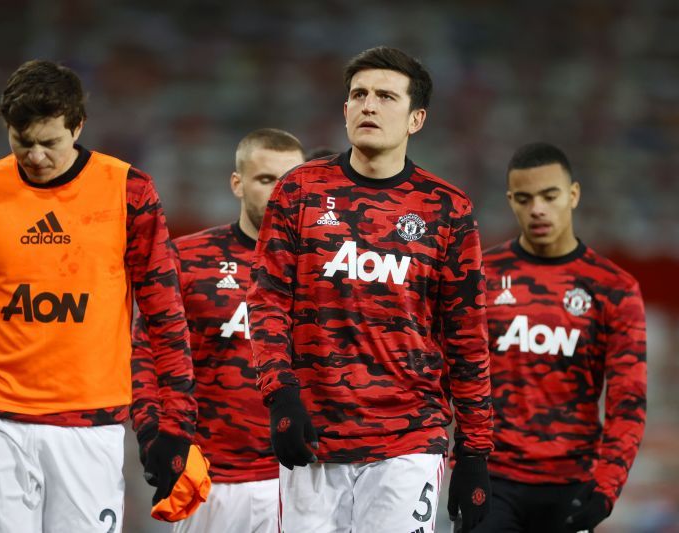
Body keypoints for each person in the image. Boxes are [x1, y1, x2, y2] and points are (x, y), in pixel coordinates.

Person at [0, 59, 196, 533]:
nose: (35, 156)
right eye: (23, 142)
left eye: (50, 142)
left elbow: (164, 315)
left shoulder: (129, 192)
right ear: (7, 129)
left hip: (89, 425)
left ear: (77, 125)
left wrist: (177, 423)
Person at [246, 46, 494, 533]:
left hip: (409, 437)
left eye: (385, 96)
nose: (369, 105)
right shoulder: (299, 192)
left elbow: (466, 336)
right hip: (314, 435)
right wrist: (281, 395)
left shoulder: (447, 208)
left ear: (416, 118)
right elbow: (267, 300)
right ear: (344, 110)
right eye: (358, 95)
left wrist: (475, 450)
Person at [134, 128, 305, 532]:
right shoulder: (188, 260)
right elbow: (146, 353)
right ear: (237, 183)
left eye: (291, 183)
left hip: (305, 480)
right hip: (213, 481)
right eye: (266, 180)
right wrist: (151, 432)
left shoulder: (327, 270)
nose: (280, 194)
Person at [476, 142, 647, 532]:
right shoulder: (480, 277)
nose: (537, 208)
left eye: (549, 196)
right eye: (524, 198)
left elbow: (628, 401)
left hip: (572, 483)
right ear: (510, 201)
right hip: (491, 479)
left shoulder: (614, 289)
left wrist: (607, 489)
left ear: (572, 195)